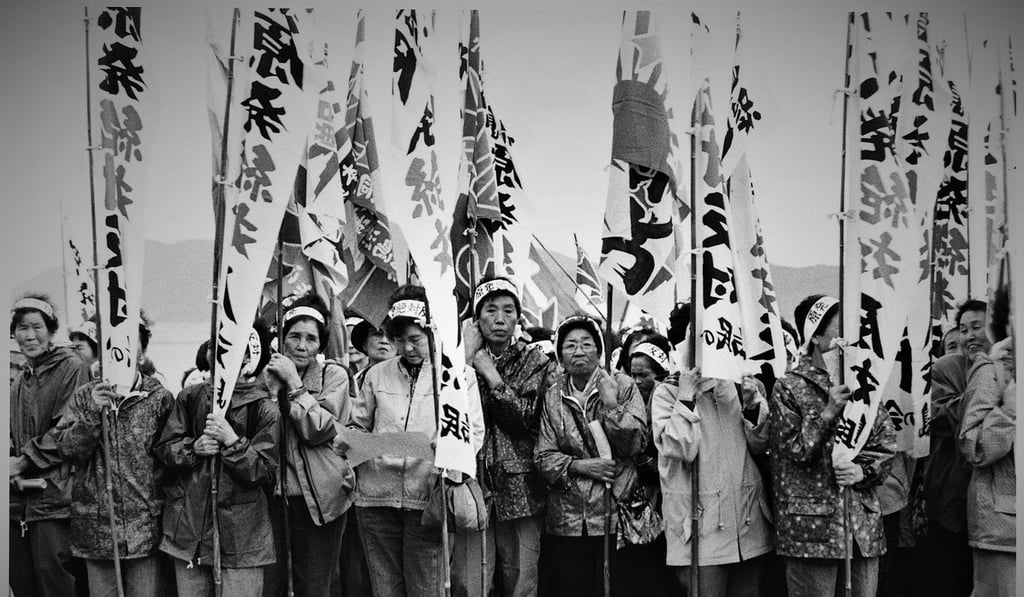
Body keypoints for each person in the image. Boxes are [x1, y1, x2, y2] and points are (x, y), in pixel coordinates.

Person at [345, 284, 484, 597]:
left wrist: (449, 454)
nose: (407, 347)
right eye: (399, 339)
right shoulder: (376, 375)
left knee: (427, 588)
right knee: (385, 589)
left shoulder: (458, 375)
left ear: (432, 333)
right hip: (375, 500)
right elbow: (356, 428)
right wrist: (365, 445)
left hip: (428, 500)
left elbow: (473, 432)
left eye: (415, 339)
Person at [769, 294, 897, 597]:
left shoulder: (863, 381)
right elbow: (792, 451)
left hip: (861, 526)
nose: (848, 339)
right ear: (815, 336)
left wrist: (863, 471)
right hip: (812, 529)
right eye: (840, 331)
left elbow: (886, 442)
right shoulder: (789, 386)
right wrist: (826, 414)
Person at [651, 307, 774, 597]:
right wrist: (686, 397)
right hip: (699, 527)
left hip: (747, 520)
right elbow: (680, 448)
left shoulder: (736, 384)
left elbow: (761, 445)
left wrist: (753, 407)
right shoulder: (667, 392)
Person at [154, 320, 280, 597]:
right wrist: (193, 448)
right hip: (190, 529)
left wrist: (233, 441)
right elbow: (165, 448)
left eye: (232, 347)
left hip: (242, 537)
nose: (220, 352)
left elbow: (265, 471)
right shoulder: (190, 396)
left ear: (249, 357)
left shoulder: (264, 408)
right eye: (216, 344)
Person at [54, 313, 175, 597]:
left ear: (141, 353)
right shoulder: (85, 396)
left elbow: (171, 459)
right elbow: (68, 450)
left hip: (145, 530)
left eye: (129, 343)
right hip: (97, 530)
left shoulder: (159, 398)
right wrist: (93, 414)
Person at [452, 277, 555, 597]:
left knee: (521, 580)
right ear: (476, 318)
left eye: (508, 311)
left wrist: (490, 374)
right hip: (471, 482)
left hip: (521, 488)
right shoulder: (456, 359)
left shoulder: (535, 361)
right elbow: (450, 411)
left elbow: (523, 419)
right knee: (470, 580)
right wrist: (464, 361)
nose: (499, 319)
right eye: (490, 310)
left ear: (517, 318)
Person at [534, 314, 648, 597]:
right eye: (570, 345)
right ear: (560, 354)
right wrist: (581, 466)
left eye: (586, 344)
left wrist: (611, 405)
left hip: (615, 511)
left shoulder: (622, 385)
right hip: (568, 516)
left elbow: (635, 444)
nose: (579, 351)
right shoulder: (552, 396)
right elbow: (543, 457)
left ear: (599, 351)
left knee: (617, 588)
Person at [262, 294, 355, 597]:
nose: (302, 346)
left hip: (320, 498)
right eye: (294, 336)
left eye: (311, 339)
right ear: (281, 340)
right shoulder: (265, 377)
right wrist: (271, 393)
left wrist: (294, 385)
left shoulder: (334, 376)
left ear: (320, 345)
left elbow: (320, 429)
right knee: (270, 585)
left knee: (313, 586)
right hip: (272, 497)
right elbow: (260, 434)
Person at [9, 294, 92, 597]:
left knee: (54, 578)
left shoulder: (72, 368)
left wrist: (23, 460)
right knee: (21, 579)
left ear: (51, 330)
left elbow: (68, 429)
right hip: (19, 499)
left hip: (56, 497)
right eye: (22, 328)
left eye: (37, 327)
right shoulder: (19, 380)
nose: (30, 335)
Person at [912, 300, 989, 597]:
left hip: (996, 496)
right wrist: (986, 392)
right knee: (952, 577)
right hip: (951, 491)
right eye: (963, 328)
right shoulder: (947, 367)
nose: (969, 336)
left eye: (976, 327)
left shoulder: (1008, 367)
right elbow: (938, 416)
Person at [959, 291, 1015, 597]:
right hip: (1004, 526)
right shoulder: (991, 372)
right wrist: (1011, 410)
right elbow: (974, 446)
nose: (969, 335)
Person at [621, 332, 675, 597]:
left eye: (643, 375)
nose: (637, 381)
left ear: (660, 374)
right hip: (634, 507)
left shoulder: (669, 402)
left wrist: (642, 458)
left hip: (664, 501)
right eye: (633, 374)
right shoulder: (627, 401)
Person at [350, 319, 395, 390]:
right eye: (377, 334)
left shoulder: (409, 379)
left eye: (391, 336)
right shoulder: (355, 382)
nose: (384, 341)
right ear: (364, 344)